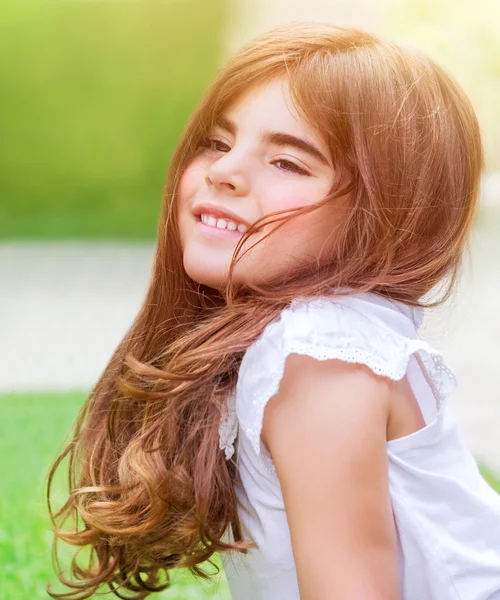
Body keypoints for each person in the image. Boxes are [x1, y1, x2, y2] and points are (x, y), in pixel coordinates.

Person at [46, 20, 500, 600]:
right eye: (217, 142)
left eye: (287, 162)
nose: (224, 171)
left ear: (383, 215)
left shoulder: (320, 354)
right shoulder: (308, 338)